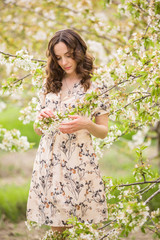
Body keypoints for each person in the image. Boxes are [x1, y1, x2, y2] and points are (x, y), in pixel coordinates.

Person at [26, 28, 110, 237]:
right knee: (58, 229)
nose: (64, 62)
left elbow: (103, 131)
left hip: (79, 162)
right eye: (59, 57)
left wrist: (86, 124)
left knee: (82, 228)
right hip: (50, 161)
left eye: (69, 55)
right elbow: (38, 130)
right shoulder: (49, 83)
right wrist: (41, 119)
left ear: (79, 51)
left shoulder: (96, 84)